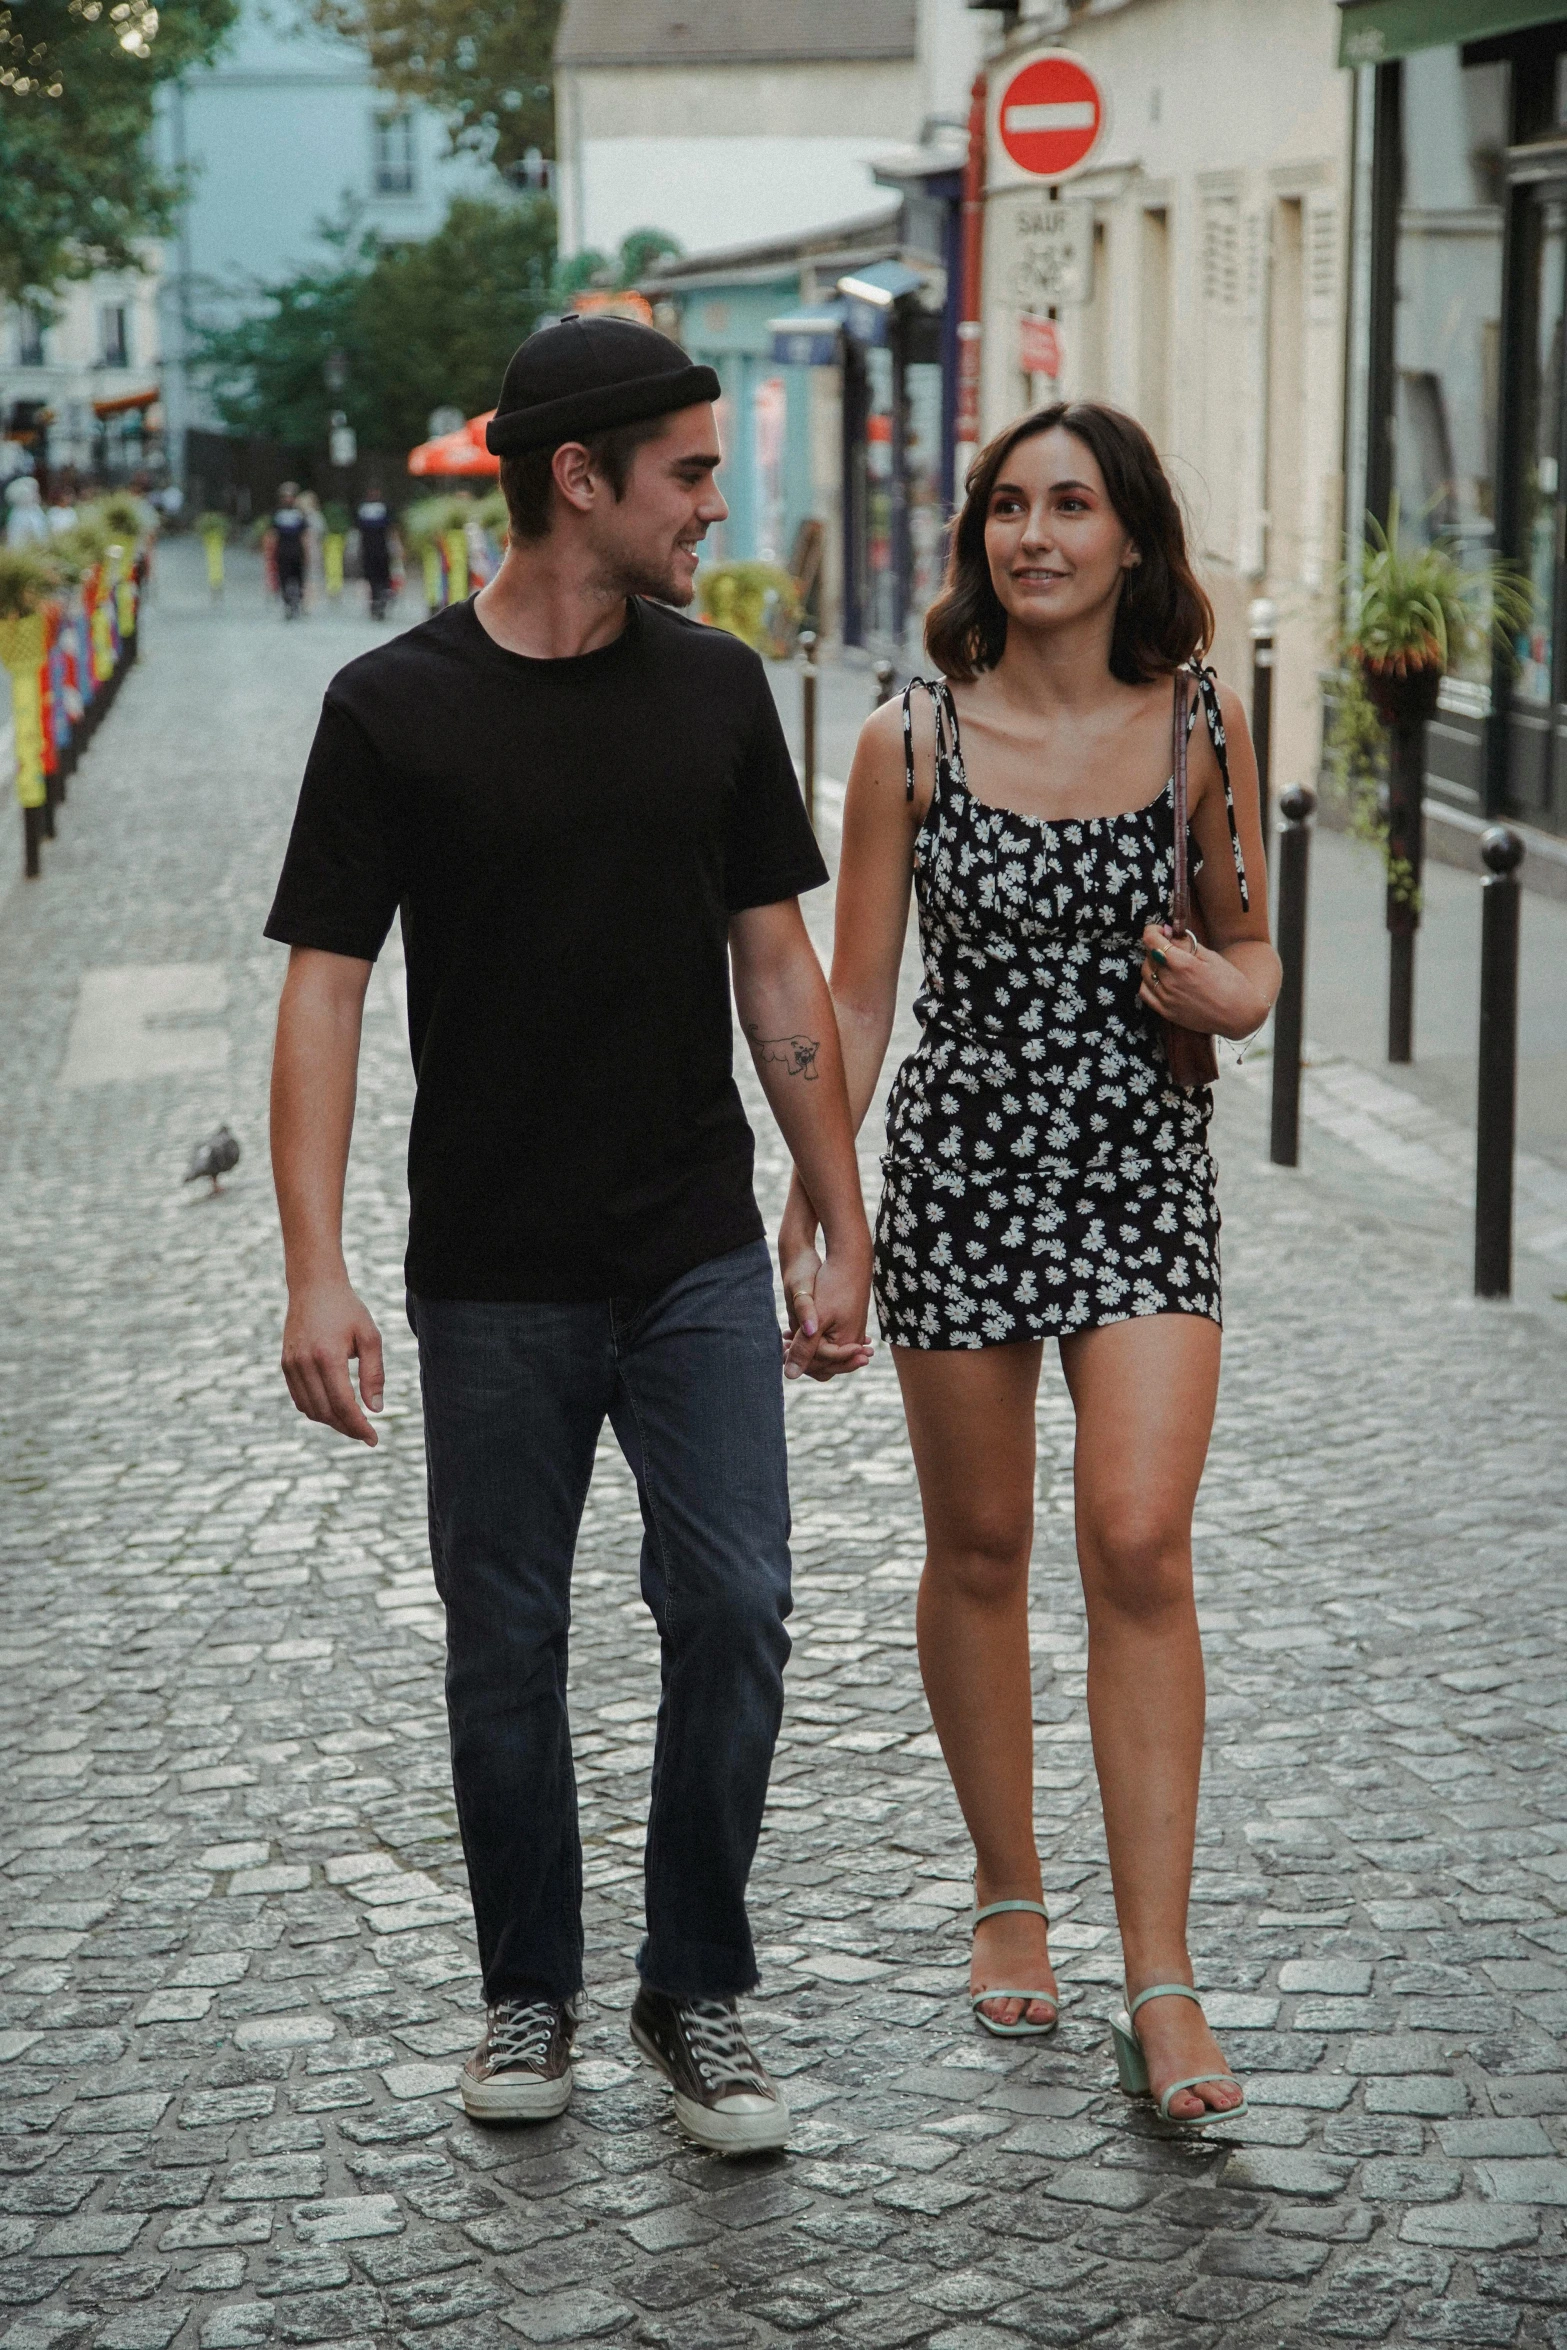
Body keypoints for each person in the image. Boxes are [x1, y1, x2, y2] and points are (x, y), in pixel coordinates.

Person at [263, 314, 873, 2156]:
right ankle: (524, 1986)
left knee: (741, 1605)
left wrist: (838, 1210)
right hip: (496, 1270)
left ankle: (694, 1992)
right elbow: (322, 998)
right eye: (686, 473)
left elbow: (776, 965)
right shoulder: (390, 707)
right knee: (502, 1641)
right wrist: (313, 1266)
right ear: (578, 482)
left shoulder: (714, 690)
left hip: (688, 1246)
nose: (715, 501)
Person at [781, 402, 1281, 2129]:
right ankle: (1009, 1887)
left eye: (1071, 505)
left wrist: (1243, 998)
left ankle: (1163, 1971)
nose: (1034, 534)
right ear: (977, 538)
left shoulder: (1202, 719)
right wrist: (824, 1200)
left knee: (1137, 1537)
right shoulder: (904, 744)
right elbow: (853, 998)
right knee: (979, 1544)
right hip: (963, 1161)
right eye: (1008, 506)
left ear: (1133, 537)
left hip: (1142, 1161)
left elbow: (1248, 943)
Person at [354, 486, 396, 619]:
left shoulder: (380, 507)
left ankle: (379, 599)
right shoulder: (366, 507)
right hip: (372, 548)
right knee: (375, 578)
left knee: (379, 577)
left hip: (378, 548)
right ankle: (377, 600)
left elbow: (391, 528)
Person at [268, 484, 308, 618]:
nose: (288, 499)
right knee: (284, 578)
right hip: (283, 550)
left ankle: (298, 602)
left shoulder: (299, 513)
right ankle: (287, 604)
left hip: (296, 550)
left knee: (299, 578)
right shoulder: (277, 513)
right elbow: (273, 533)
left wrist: (306, 552)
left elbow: (304, 534)